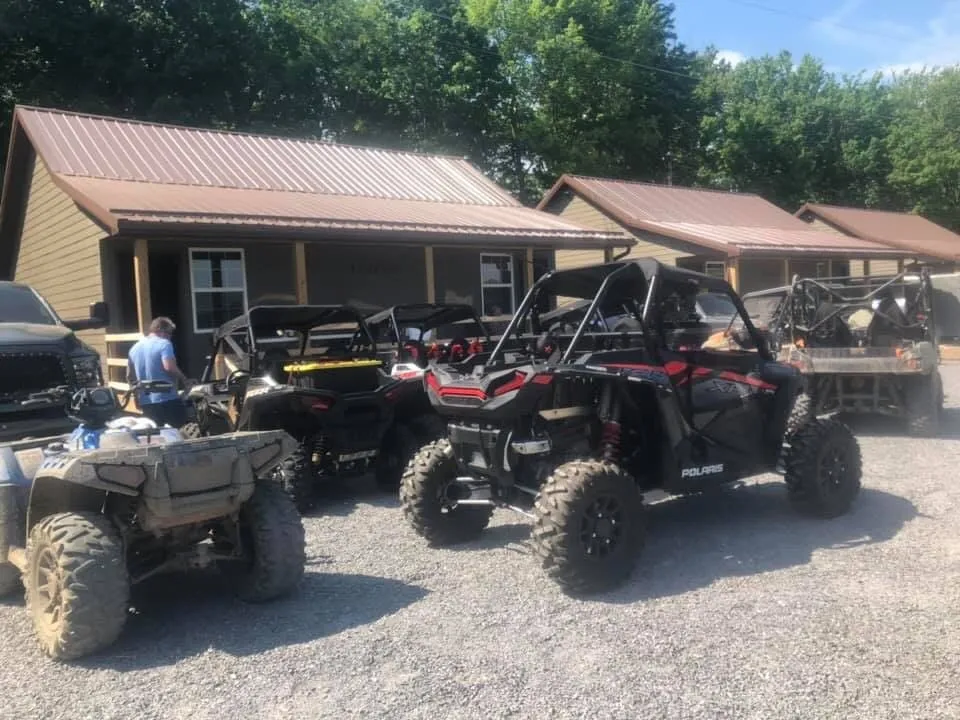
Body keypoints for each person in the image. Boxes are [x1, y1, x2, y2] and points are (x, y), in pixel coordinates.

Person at [127, 316, 190, 427]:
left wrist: (136, 397)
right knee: (178, 432)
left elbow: (130, 376)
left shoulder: (134, 348)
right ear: (160, 330)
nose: (170, 337)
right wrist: (185, 379)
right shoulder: (164, 344)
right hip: (167, 399)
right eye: (169, 333)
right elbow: (169, 367)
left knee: (155, 434)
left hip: (146, 402)